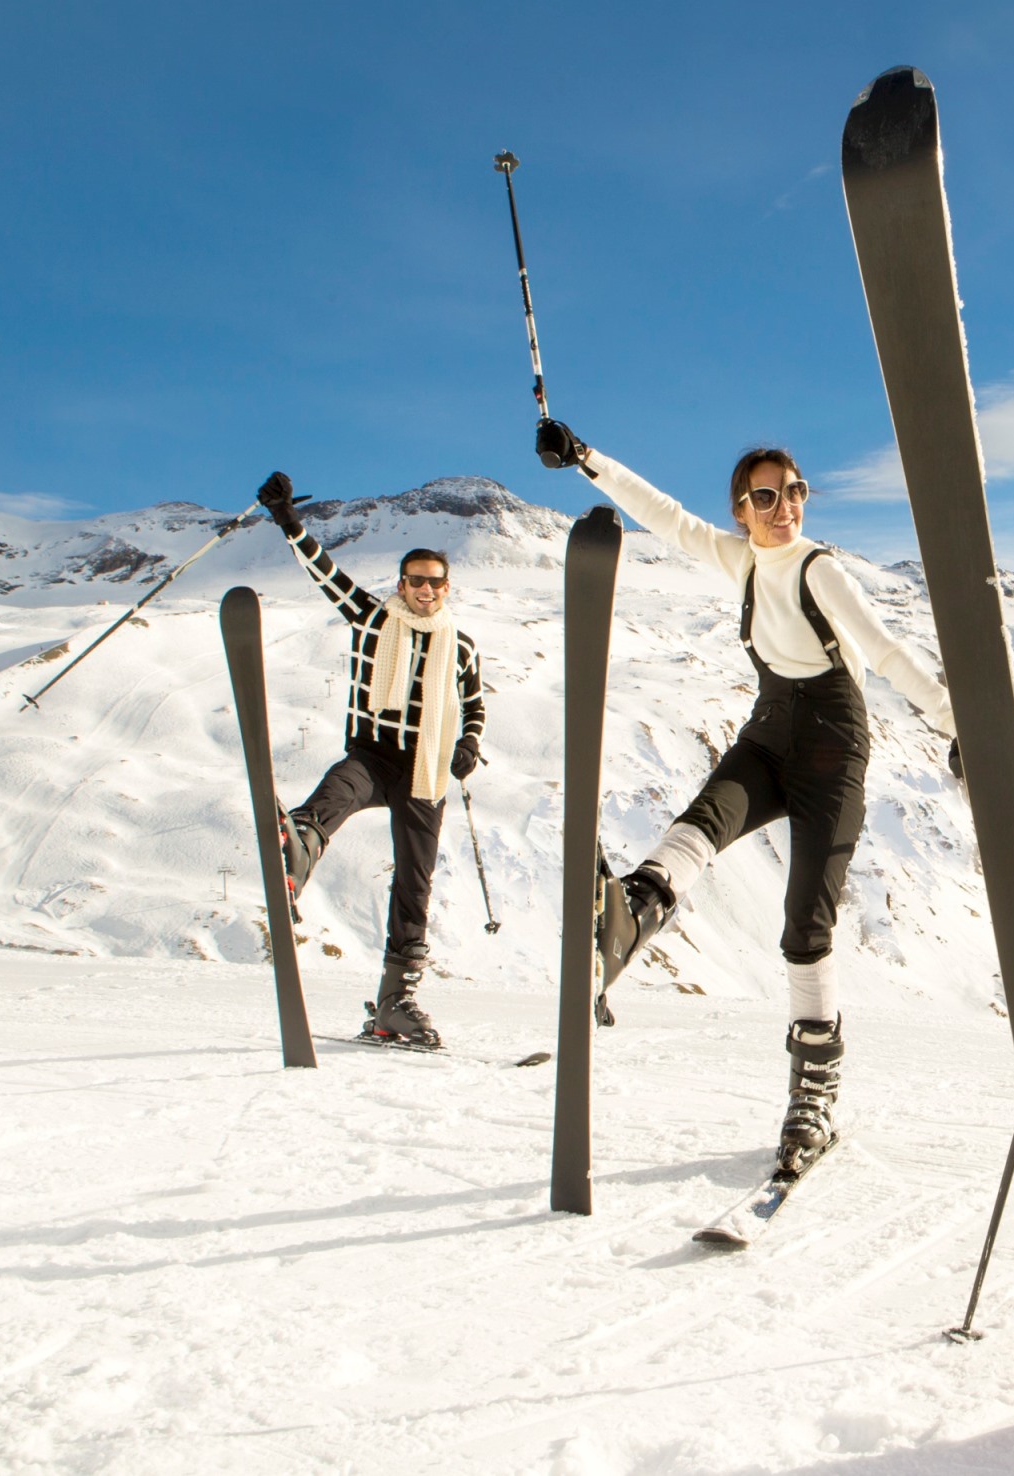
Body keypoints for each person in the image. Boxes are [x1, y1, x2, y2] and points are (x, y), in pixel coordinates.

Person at [533, 420, 955, 1172]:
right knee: (704, 820)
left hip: (833, 742)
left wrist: (958, 725)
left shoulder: (817, 569)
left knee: (805, 925)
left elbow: (885, 650)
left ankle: (812, 1093)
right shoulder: (741, 561)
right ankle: (630, 917)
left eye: (793, 492)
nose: (784, 506)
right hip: (769, 729)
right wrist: (586, 459)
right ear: (741, 508)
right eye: (766, 496)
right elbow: (662, 513)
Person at [255, 471, 487, 1049]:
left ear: (447, 587)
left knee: (415, 882)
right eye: (416, 582)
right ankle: (297, 849)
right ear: (402, 584)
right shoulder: (371, 618)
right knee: (340, 789)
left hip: (426, 768)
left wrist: (469, 745)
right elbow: (323, 573)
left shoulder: (460, 646)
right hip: (374, 753)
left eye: (434, 582)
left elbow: (475, 704)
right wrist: (288, 521)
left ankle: (395, 1002)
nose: (425, 591)